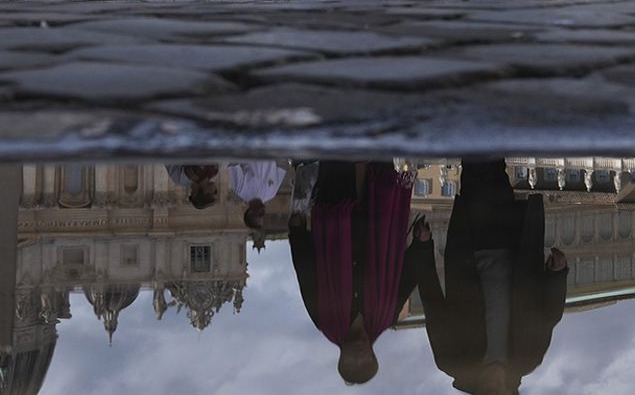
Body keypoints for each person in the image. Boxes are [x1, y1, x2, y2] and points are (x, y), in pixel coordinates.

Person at [409, 159, 570, 394]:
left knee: (476, 173)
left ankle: (478, 131)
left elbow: (433, 305)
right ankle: (490, 131)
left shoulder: (453, 360)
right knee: (497, 174)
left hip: (471, 245)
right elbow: (548, 317)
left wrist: (422, 248)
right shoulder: (528, 358)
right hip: (516, 245)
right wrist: (556, 276)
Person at [289, 161, 427, 385]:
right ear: (373, 357)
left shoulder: (325, 320)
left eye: (353, 363)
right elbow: (406, 278)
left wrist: (297, 233)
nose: (360, 357)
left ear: (341, 359)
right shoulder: (385, 317)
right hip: (378, 216)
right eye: (367, 362)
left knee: (339, 157)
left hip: (336, 213)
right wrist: (421, 245)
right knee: (377, 155)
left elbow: (306, 274)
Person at [229, 161, 288, 250]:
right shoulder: (271, 194)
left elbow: (233, 163)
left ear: (250, 212)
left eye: (259, 215)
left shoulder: (240, 190)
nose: (263, 213)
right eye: (262, 216)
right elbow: (281, 165)